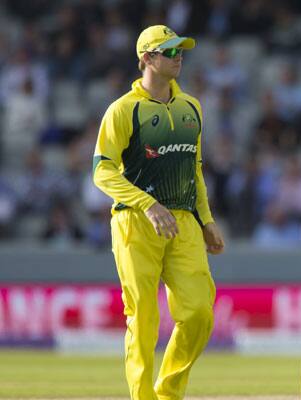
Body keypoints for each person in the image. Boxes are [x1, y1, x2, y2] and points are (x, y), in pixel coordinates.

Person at [93, 25, 225, 400]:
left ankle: (168, 391)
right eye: (169, 51)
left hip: (183, 221)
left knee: (199, 313)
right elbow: (102, 170)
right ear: (147, 59)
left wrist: (207, 220)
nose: (178, 56)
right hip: (136, 222)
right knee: (144, 319)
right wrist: (148, 204)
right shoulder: (123, 110)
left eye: (180, 49)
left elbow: (194, 170)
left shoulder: (192, 108)